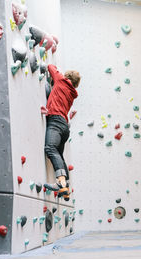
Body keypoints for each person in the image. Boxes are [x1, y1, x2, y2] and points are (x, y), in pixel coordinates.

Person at [43, 64, 80, 201]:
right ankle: (66, 188)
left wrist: (57, 77)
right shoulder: (72, 93)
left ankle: (61, 182)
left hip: (56, 121)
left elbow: (50, 66)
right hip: (64, 126)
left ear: (67, 77)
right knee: (59, 154)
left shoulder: (61, 80)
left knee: (50, 148)